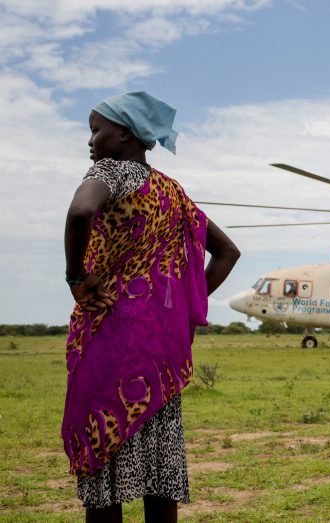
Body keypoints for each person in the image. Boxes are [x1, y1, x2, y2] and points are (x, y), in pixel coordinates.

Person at [62, 91, 240, 523]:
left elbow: (81, 210)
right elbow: (228, 252)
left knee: (105, 468)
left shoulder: (111, 171)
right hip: (161, 349)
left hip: (111, 339)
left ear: (125, 134)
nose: (90, 141)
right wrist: (179, 307)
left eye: (96, 130)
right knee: (160, 472)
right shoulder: (172, 193)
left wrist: (77, 278)